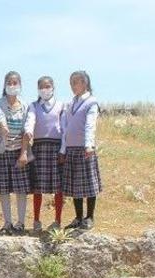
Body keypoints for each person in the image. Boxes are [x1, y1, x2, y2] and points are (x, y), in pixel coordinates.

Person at [0, 71, 31, 235]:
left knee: (21, 190)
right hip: (2, 152)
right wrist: (3, 125)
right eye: (9, 82)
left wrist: (23, 153)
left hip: (18, 152)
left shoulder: (25, 106)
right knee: (4, 189)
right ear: (4, 85)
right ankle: (7, 223)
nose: (12, 86)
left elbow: (26, 129)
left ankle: (20, 223)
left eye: (15, 83)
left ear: (20, 85)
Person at [60, 70, 101, 230]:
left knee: (89, 184)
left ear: (84, 83)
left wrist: (89, 145)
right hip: (71, 149)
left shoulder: (91, 102)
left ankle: (89, 217)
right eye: (71, 83)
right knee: (76, 186)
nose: (72, 86)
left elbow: (90, 125)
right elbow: (65, 128)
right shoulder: (71, 104)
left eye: (75, 82)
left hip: (85, 149)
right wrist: (63, 149)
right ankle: (78, 217)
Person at [24, 76, 64, 232]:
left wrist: (63, 150)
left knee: (58, 187)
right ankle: (36, 221)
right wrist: (28, 130)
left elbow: (65, 128)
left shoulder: (61, 105)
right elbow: (31, 120)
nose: (44, 89)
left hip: (56, 148)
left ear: (53, 87)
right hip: (39, 147)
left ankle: (58, 220)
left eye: (47, 86)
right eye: (41, 87)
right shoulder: (34, 106)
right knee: (37, 187)